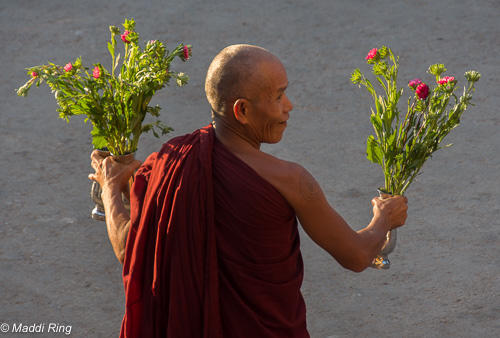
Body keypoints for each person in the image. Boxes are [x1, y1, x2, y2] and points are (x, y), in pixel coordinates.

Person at [89, 44, 408, 338]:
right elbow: (356, 255)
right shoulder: (291, 181)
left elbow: (128, 248)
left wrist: (109, 189)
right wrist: (384, 218)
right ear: (241, 111)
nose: (289, 106)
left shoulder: (169, 164)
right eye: (279, 96)